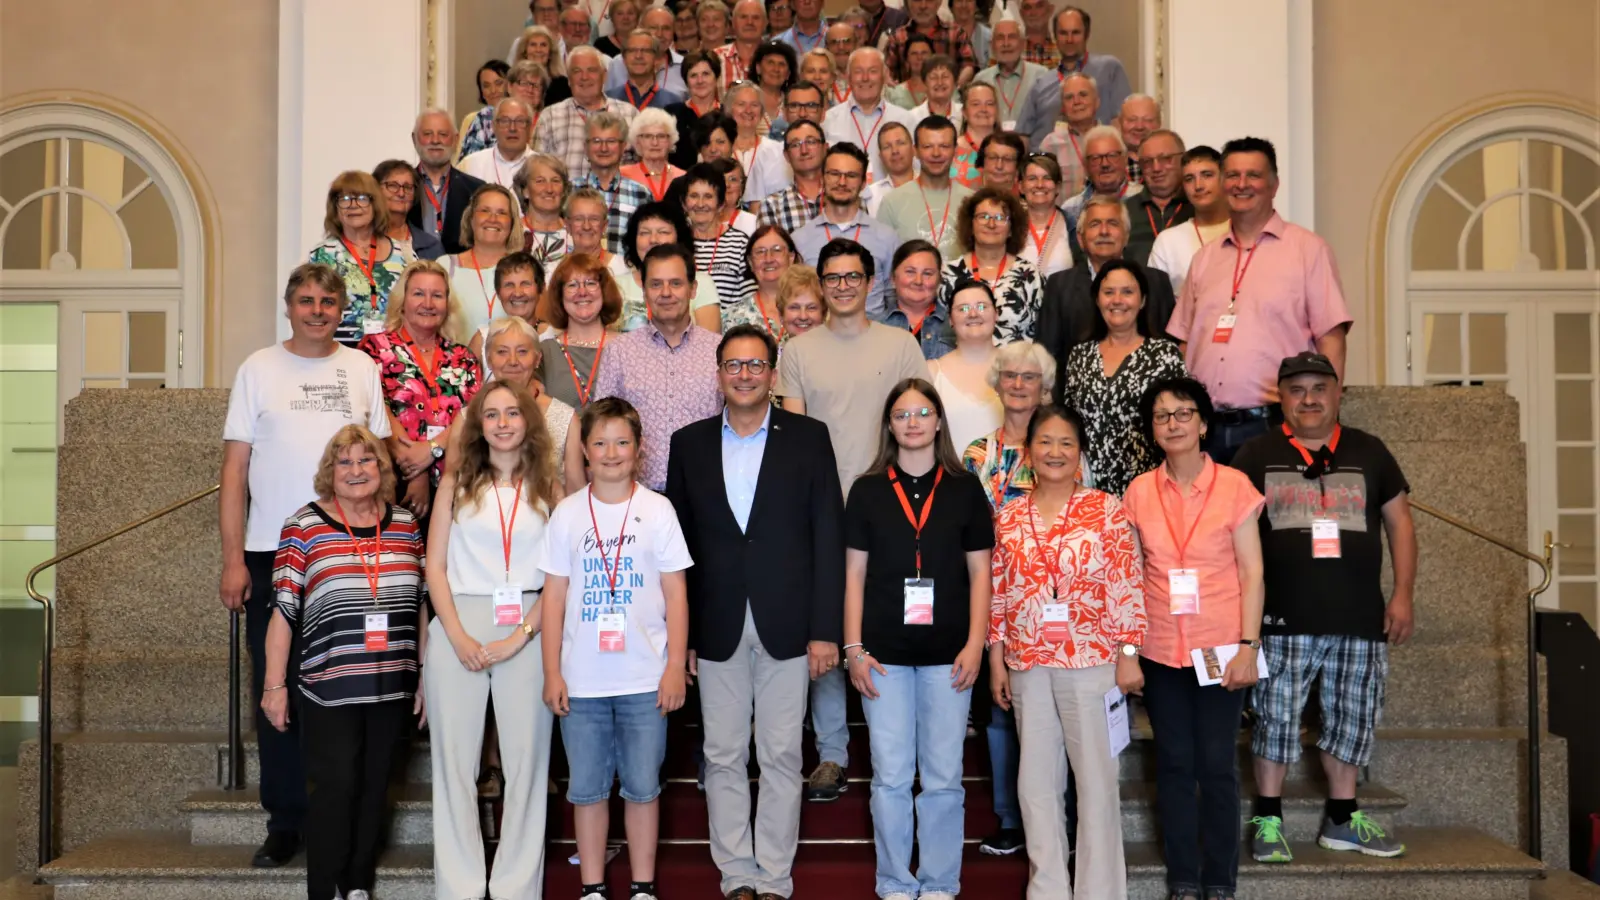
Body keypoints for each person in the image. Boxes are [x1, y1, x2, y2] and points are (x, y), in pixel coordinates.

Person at [220, 264, 393, 869]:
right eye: (305, 301)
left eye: (327, 301)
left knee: (355, 689)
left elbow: (381, 460)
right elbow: (234, 472)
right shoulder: (258, 369)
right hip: (274, 553)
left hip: (352, 554)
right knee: (278, 689)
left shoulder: (362, 368)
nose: (317, 310)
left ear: (340, 307)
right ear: (287, 306)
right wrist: (234, 560)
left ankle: (352, 819)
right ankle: (286, 821)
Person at [664, 324, 845, 900]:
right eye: (734, 365)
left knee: (783, 752)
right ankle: (736, 872)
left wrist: (825, 631)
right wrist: (682, 634)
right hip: (714, 624)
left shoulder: (809, 438)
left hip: (789, 621)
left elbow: (828, 536)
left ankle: (774, 874)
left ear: (772, 374)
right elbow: (678, 549)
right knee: (721, 752)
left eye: (756, 365)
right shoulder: (687, 442)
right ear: (718, 374)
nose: (744, 375)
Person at [1233, 352, 1417, 864]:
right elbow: (1230, 535)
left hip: (1358, 618)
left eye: (1319, 387)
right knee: (1275, 718)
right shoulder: (1254, 454)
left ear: (1338, 393)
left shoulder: (1370, 451)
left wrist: (1403, 594)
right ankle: (1269, 819)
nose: (1309, 398)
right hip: (1282, 619)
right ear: (1282, 398)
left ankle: (1343, 820)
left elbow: (1400, 523)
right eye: (1297, 389)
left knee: (1353, 718)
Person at [779, 239, 928, 802]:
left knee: (885, 622)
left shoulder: (899, 344)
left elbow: (919, 421)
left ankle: (898, 745)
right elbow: (793, 442)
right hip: (821, 510)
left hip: (893, 504)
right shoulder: (797, 351)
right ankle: (834, 753)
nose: (843, 285)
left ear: (871, 281)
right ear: (820, 284)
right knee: (826, 628)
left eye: (853, 276)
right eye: (833, 277)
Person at [844, 377, 993, 900]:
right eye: (902, 414)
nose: (912, 422)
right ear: (889, 423)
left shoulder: (964, 487)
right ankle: (894, 881)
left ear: (938, 421)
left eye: (922, 412)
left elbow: (981, 574)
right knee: (889, 777)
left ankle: (939, 883)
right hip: (881, 656)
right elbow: (854, 577)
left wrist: (977, 643)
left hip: (950, 656)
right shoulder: (865, 489)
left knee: (943, 778)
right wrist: (853, 649)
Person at [262, 425, 425, 900]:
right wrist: (275, 686)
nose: (357, 471)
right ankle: (325, 888)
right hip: (327, 684)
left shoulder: (404, 524)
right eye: (345, 463)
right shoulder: (304, 526)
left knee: (375, 788)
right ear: (329, 473)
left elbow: (418, 604)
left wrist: (423, 678)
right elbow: (284, 611)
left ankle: (357, 883)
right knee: (335, 786)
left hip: (391, 683)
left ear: (383, 468)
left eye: (367, 460)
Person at [989, 403, 1144, 900]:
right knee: (1035, 784)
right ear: (1028, 452)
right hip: (1027, 663)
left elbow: (1127, 583)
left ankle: (1099, 892)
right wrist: (997, 656)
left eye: (1066, 444)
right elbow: (999, 590)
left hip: (1092, 661)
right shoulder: (1009, 516)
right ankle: (1048, 888)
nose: (1055, 452)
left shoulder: (1106, 509)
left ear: (1080, 454)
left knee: (1096, 782)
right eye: (1045, 442)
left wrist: (1129, 651)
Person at [539, 397, 693, 900]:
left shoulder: (658, 509)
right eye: (600, 443)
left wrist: (674, 667)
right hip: (581, 681)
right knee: (586, 790)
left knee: (643, 788)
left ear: (639, 449)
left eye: (622, 442)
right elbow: (554, 599)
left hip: (646, 680)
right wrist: (552, 674)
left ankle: (643, 886)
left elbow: (676, 595)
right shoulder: (566, 514)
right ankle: (593, 888)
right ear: (584, 450)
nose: (611, 453)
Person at [1120, 375, 1265, 900]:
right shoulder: (1138, 491)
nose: (1174, 423)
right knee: (1175, 764)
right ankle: (1183, 878)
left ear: (1204, 423)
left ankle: (1221, 880)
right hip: (1160, 650)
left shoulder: (1234, 487)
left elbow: (1253, 573)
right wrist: (1128, 652)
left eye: (1184, 413)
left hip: (1221, 647)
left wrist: (1249, 648)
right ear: (1152, 430)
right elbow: (1130, 577)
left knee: (1217, 766)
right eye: (1162, 416)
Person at [426, 380, 562, 900]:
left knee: (528, 765)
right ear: (477, 426)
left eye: (512, 413)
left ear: (527, 420)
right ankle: (459, 887)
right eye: (491, 415)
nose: (503, 422)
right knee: (454, 766)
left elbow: (559, 574)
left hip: (529, 623)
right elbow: (433, 566)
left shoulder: (549, 485)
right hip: (459, 619)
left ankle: (515, 887)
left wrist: (523, 634)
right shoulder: (456, 481)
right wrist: (456, 635)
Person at [1166, 137, 1352, 464]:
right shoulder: (1205, 259)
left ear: (1274, 184)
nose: (1241, 184)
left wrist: (1325, 419)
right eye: (1233, 175)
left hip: (1276, 424)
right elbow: (1184, 343)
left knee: (1275, 517)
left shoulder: (1308, 250)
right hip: (1205, 430)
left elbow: (1331, 339)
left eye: (1253, 175)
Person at [960, 338, 1052, 857]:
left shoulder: (1061, 443)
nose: (1018, 385)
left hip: (1053, 601)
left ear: (1045, 387)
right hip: (991, 593)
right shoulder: (977, 453)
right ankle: (1010, 819)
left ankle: (1055, 818)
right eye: (1010, 376)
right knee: (1000, 711)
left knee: (1051, 712)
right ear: (997, 384)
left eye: (1029, 377)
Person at [574, 243, 722, 495]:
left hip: (705, 495)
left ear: (693, 289)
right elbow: (602, 426)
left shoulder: (718, 351)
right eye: (656, 284)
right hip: (637, 498)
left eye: (676, 283)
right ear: (643, 291)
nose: (666, 292)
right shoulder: (620, 351)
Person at [359, 259, 482, 519]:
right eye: (418, 294)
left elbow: (473, 415)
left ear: (447, 305)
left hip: (457, 481)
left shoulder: (464, 357)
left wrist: (432, 450)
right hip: (394, 479)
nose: (428, 303)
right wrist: (416, 469)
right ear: (402, 301)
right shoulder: (374, 349)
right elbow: (373, 409)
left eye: (437, 295)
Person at [1062, 259, 1187, 496]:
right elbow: (1070, 424)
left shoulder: (1164, 354)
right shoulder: (1079, 356)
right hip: (1088, 490)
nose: (1117, 300)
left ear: (1142, 301)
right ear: (1097, 300)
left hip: (1149, 489)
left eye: (1127, 292)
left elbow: (1181, 423)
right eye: (1109, 292)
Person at [1035, 194, 1177, 389]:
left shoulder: (1155, 282)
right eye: (1095, 224)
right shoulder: (1059, 285)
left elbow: (1170, 350)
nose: (1104, 231)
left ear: (1126, 235)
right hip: (1076, 404)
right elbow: (1047, 355)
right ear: (1080, 238)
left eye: (1112, 223)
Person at [308, 171, 417, 347]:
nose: (353, 205)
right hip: (339, 353)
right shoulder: (323, 255)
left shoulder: (403, 253)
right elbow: (313, 309)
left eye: (361, 198)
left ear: (376, 204)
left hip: (394, 356)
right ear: (335, 209)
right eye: (344, 199)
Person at [791, 141, 898, 318]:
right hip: (819, 338)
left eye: (851, 175)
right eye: (834, 174)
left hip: (873, 338)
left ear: (863, 182)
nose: (842, 182)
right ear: (822, 178)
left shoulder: (887, 238)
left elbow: (893, 299)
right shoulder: (800, 240)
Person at [944, 185, 1043, 345]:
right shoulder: (948, 274)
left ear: (1012, 229)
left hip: (1015, 367)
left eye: (1000, 218)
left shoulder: (1030, 275)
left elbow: (1041, 335)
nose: (991, 224)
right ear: (971, 225)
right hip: (962, 366)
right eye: (983, 216)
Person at [471, 315, 577, 460]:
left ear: (537, 359)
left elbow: (576, 482)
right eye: (502, 352)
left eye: (522, 351)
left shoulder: (565, 418)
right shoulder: (468, 417)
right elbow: (453, 477)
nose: (513, 361)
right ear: (489, 359)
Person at [613, 200, 723, 332]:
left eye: (663, 232)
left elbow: (710, 345)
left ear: (679, 239)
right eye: (644, 233)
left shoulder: (701, 282)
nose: (653, 239)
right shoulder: (615, 285)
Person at [534, 46, 639, 182]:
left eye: (592, 70)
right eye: (577, 71)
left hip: (617, 199)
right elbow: (536, 168)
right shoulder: (550, 116)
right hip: (565, 200)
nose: (584, 77)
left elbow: (641, 167)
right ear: (569, 79)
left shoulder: (629, 114)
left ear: (604, 76)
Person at [877, 115, 971, 263]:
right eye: (927, 146)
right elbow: (882, 262)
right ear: (916, 151)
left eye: (944, 146)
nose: (936, 153)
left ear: (956, 150)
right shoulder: (892, 202)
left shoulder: (971, 200)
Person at [538, 252, 624, 409]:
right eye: (572, 285)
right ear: (560, 296)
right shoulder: (545, 352)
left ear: (604, 292)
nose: (582, 292)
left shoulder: (628, 348)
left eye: (591, 283)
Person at [929, 279, 1004, 451]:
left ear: (996, 314)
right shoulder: (932, 372)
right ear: (950, 320)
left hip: (1010, 475)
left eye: (982, 306)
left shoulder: (1017, 367)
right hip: (950, 475)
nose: (972, 314)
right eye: (963, 308)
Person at [1148, 145, 1231, 297]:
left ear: (1224, 178)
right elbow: (1157, 306)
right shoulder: (1168, 241)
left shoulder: (1247, 231)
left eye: (1207, 175)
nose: (1198, 186)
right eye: (1189, 179)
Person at [821, 47, 915, 182]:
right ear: (848, 77)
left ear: (884, 75)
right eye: (858, 72)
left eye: (873, 71)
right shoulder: (828, 121)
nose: (865, 78)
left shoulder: (905, 120)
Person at [446, 184, 524, 338]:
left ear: (512, 222)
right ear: (471, 218)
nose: (493, 219)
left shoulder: (525, 270)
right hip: (456, 360)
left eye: (502, 213)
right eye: (485, 211)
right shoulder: (445, 266)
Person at [574, 111, 653, 255]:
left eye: (611, 141)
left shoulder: (641, 194)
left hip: (626, 275)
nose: (604, 148)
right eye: (596, 141)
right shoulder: (570, 190)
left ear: (623, 147)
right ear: (585, 147)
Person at [412, 109, 488, 256]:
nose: (435, 140)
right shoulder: (400, 189)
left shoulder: (477, 189)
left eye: (443, 134)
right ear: (414, 139)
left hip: (461, 273)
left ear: (455, 139)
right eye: (427, 134)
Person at [973, 17, 1056, 147]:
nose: (1006, 43)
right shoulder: (981, 80)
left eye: (1012, 37)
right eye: (1000, 38)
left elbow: (1048, 122)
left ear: (1023, 43)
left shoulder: (1041, 76)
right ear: (992, 45)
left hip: (1032, 153)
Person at [680, 162, 755, 302]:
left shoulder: (740, 243)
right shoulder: (676, 242)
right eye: (694, 196)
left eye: (708, 196)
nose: (700, 204)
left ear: (720, 204)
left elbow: (750, 300)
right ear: (684, 203)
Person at [1050, 5, 1129, 123]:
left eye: (1076, 33)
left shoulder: (1109, 68)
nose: (1069, 40)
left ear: (1086, 34)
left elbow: (1122, 120)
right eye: (1063, 33)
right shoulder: (1042, 81)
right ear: (1055, 36)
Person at [1124, 129, 1192, 266]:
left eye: (1165, 158)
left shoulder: (1199, 207)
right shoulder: (1124, 212)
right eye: (1147, 161)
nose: (1156, 168)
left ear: (1184, 160)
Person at [878, 239, 952, 359]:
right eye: (910, 272)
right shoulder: (875, 327)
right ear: (893, 278)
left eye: (927, 273)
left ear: (939, 279)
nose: (918, 281)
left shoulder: (954, 326)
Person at [469, 251, 546, 365]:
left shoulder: (554, 337)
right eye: (509, 285)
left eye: (525, 283)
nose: (518, 293)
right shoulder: (482, 340)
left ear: (541, 289)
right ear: (499, 293)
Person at [1063, 125, 1144, 228]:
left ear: (1125, 159)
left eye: (1112, 155)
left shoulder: (1143, 199)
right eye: (1096, 158)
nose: (1105, 164)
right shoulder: (1071, 209)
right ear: (1085, 165)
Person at [726, 223, 799, 334]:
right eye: (760, 252)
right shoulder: (732, 317)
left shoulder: (812, 308)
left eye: (777, 250)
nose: (769, 259)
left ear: (791, 257)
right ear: (750, 262)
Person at [883, 0, 977, 85]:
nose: (923, 6)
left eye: (929, 0)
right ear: (908, 3)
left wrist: (953, 89)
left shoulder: (956, 33)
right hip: (907, 101)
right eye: (917, 1)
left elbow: (969, 66)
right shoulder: (897, 37)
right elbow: (887, 71)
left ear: (939, 2)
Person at [757, 119, 826, 233]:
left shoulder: (845, 194)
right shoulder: (772, 205)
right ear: (786, 156)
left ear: (825, 148)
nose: (804, 150)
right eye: (795, 145)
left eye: (811, 142)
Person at [1036, 72, 1099, 197]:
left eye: (1083, 95)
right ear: (1063, 107)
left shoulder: (1111, 140)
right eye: (1069, 97)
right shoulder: (1050, 144)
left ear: (1097, 101)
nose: (1077, 101)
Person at [604, 6, 691, 96]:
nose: (659, 34)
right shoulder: (618, 64)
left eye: (666, 28)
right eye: (653, 28)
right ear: (640, 28)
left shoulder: (684, 66)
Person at [666, 51, 725, 170]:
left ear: (716, 77)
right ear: (686, 81)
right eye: (693, 75)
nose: (700, 80)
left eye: (706, 74)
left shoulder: (727, 114)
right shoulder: (671, 114)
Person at [374, 160, 443, 261]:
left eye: (408, 187)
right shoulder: (361, 237)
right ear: (375, 189)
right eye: (392, 185)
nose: (401, 193)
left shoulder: (431, 246)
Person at [1019, 153, 1074, 279]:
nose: (1040, 184)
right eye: (1032, 178)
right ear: (1021, 187)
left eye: (1047, 178)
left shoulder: (1073, 227)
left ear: (1058, 187)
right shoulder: (1010, 227)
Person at [460, 97, 537, 187]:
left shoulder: (543, 166)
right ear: (494, 126)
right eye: (504, 121)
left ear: (530, 128)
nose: (512, 128)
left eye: (520, 121)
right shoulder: (471, 165)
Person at [514, 152, 571, 271]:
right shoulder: (512, 232)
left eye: (555, 181)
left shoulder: (576, 232)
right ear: (525, 190)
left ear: (564, 190)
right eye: (540, 181)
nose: (549, 189)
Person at [609, 29, 687, 109]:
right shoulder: (608, 100)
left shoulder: (673, 103)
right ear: (624, 59)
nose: (638, 56)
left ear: (656, 59)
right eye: (632, 50)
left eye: (646, 50)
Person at [621, 108, 687, 201]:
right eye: (647, 136)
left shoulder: (683, 177)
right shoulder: (622, 176)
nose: (655, 143)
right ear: (637, 141)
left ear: (670, 141)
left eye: (661, 136)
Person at [457, 60, 512, 159]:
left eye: (498, 83)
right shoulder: (472, 119)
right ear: (481, 92)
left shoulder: (525, 116)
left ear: (511, 86)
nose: (493, 90)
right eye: (486, 86)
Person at [950, 81, 998, 189]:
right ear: (964, 112)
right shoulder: (951, 149)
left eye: (989, 104)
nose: (983, 109)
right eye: (976, 104)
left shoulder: (1010, 148)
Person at [862, 121, 916, 216]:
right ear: (881, 156)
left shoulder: (932, 187)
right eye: (887, 147)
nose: (895, 151)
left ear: (913, 149)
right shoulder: (870, 196)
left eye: (900, 143)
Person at [512, 26, 572, 107]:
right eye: (533, 45)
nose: (538, 50)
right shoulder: (514, 80)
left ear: (550, 53)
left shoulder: (562, 84)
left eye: (543, 45)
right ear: (524, 51)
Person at [716, 0, 768, 89]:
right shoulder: (715, 58)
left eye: (756, 17)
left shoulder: (777, 58)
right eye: (743, 17)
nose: (750, 22)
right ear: (733, 22)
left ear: (765, 23)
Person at [750, 40, 798, 132]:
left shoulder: (794, 103)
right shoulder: (745, 100)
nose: (776, 69)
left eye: (782, 64)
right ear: (758, 68)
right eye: (770, 63)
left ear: (788, 74)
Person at [777, 262, 829, 343]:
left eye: (811, 308)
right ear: (781, 315)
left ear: (823, 313)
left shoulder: (836, 352)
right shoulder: (771, 353)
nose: (803, 316)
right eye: (794, 307)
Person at [1118, 93, 1162, 185]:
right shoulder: (1108, 163)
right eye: (1132, 120)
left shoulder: (1173, 163)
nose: (1139, 126)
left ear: (1159, 123)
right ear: (1120, 123)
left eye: (1148, 120)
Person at [711, 157, 762, 235]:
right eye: (721, 179)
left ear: (742, 188)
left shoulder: (753, 223)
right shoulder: (698, 221)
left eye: (733, 179)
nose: (727, 185)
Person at [882, 33, 933, 109]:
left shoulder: (945, 90)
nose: (919, 57)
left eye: (924, 53)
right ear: (906, 59)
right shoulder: (894, 92)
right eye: (914, 53)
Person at [907, 54, 960, 124]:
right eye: (933, 77)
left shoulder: (964, 114)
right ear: (924, 83)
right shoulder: (911, 117)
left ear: (954, 82)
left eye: (945, 76)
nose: (940, 82)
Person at [1015, 0, 1056, 68]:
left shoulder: (1064, 49)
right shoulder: (1009, 52)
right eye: (1027, 7)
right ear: (1021, 13)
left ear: (1051, 9)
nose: (1033, 12)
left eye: (1039, 6)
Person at [949, 0, 990, 68]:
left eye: (969, 0)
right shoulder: (940, 37)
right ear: (951, 7)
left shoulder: (990, 37)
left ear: (976, 6)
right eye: (959, 1)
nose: (964, 5)